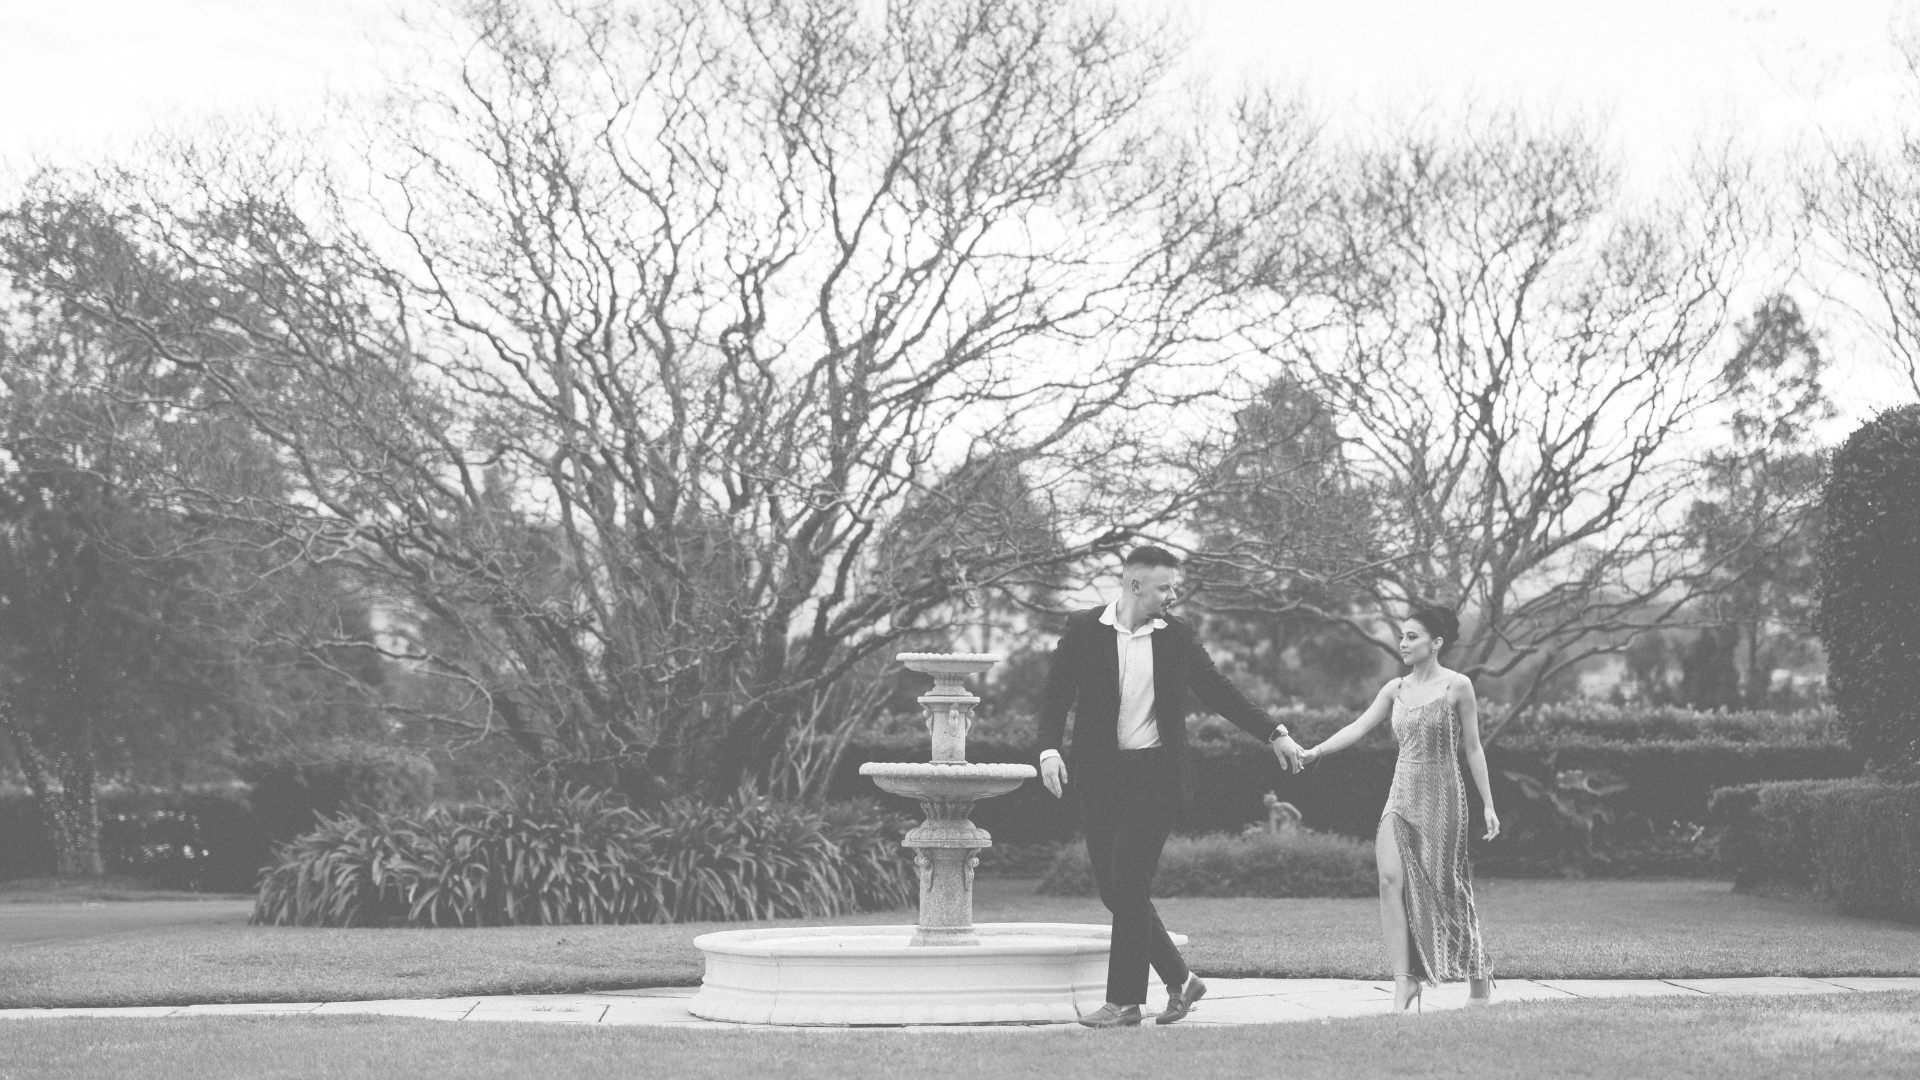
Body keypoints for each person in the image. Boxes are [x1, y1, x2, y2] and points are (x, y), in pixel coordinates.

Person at [1036, 545, 1305, 1028]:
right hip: (1099, 777)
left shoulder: (1177, 636)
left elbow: (1220, 690)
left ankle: (1124, 1003)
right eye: (1164, 587)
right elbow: (1055, 695)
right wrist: (1049, 749)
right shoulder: (1082, 630)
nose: (1173, 595)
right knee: (1114, 891)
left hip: (1155, 777)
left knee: (1128, 884)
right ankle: (1181, 980)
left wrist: (1275, 732)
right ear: (1135, 586)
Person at [1299, 604, 1499, 1012]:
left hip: (1443, 798)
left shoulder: (1458, 686)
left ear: (1436, 642)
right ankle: (1403, 982)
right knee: (1390, 879)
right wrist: (1315, 750)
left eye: (1412, 637)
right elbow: (1358, 726)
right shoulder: (1395, 689)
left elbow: (1473, 748)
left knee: (1448, 890)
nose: (1403, 643)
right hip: (1401, 792)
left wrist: (1489, 806)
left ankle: (1479, 982)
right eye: (1402, 636)